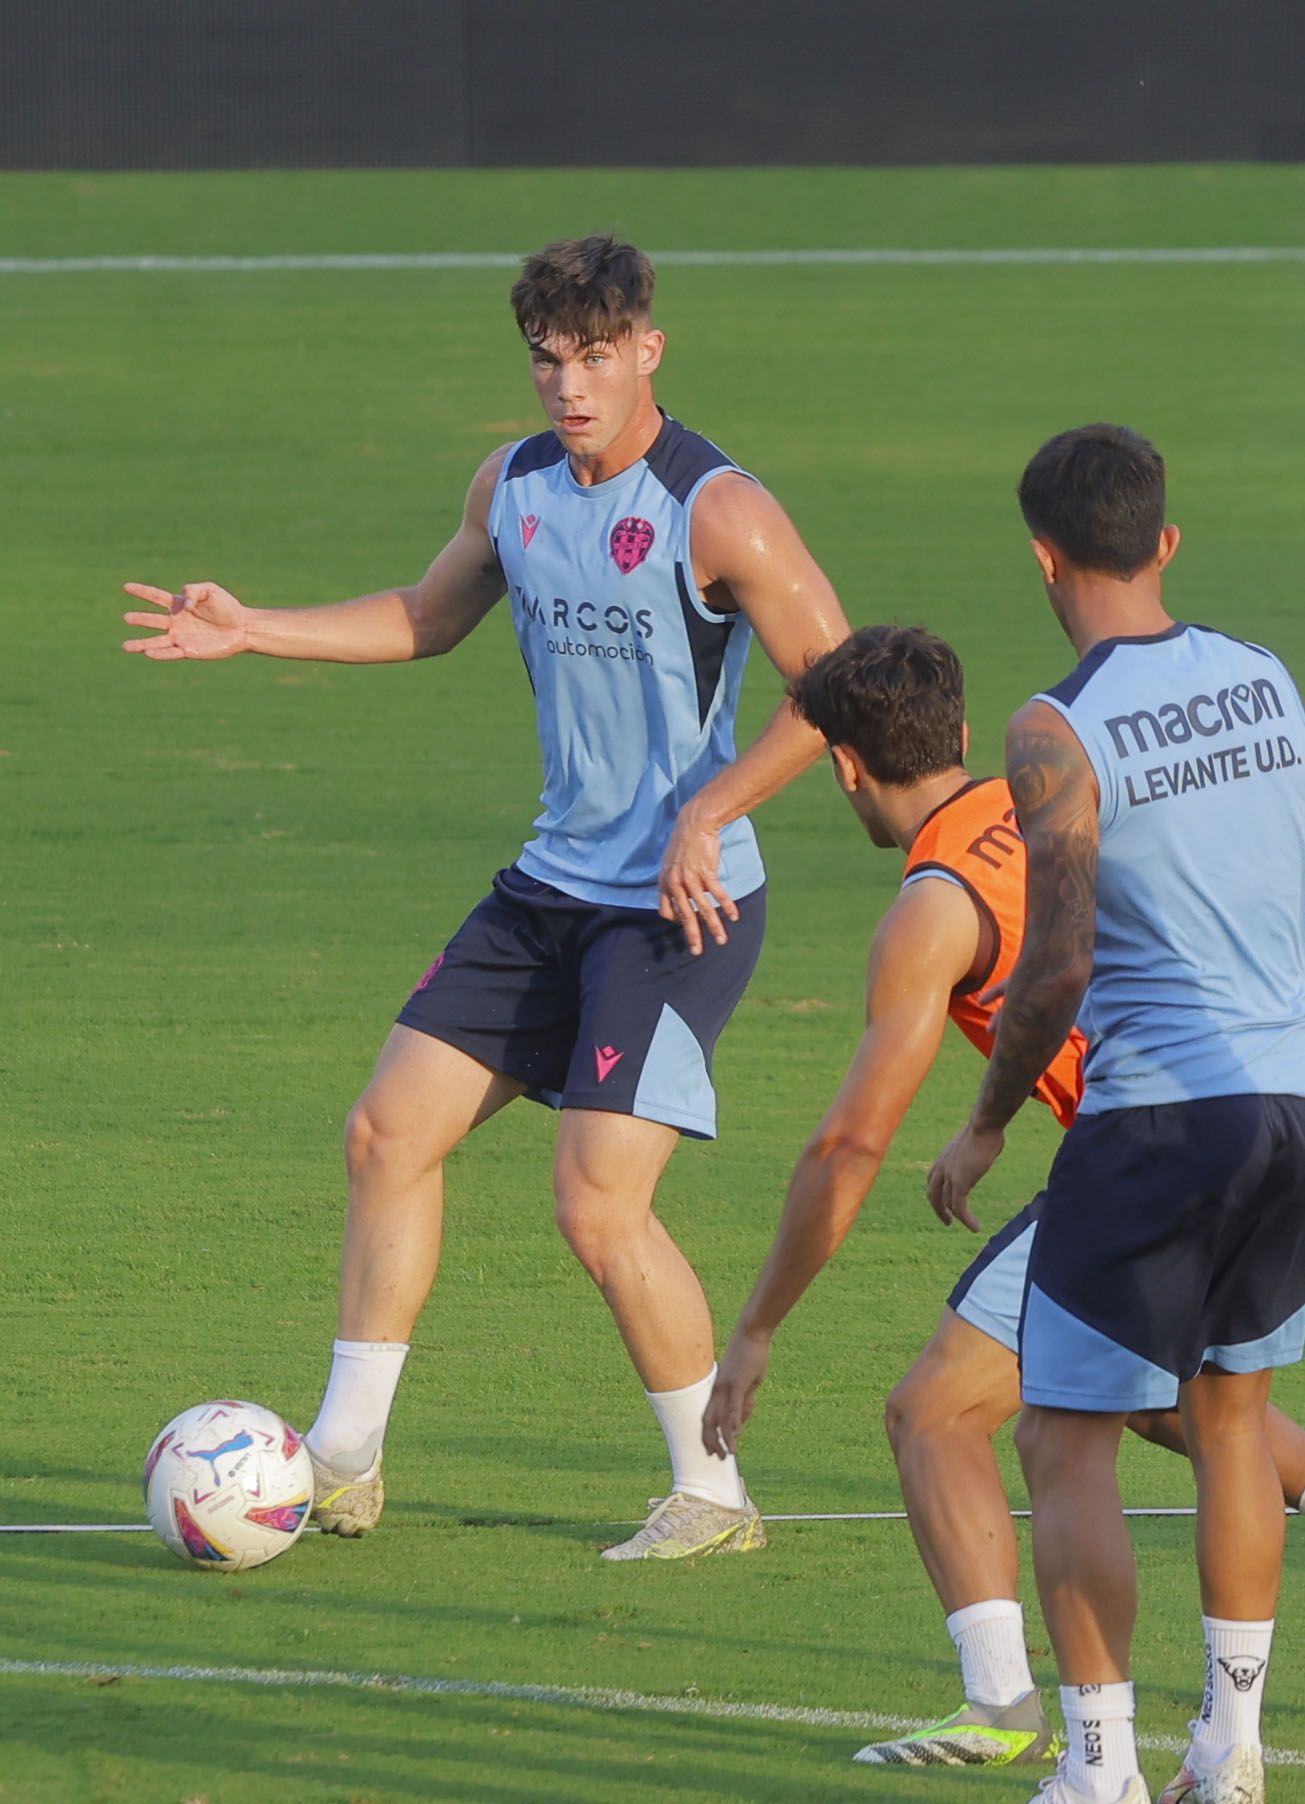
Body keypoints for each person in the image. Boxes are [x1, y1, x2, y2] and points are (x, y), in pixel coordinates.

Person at [121, 234, 849, 1561]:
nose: (569, 384)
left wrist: (710, 808)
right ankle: (339, 1460)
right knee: (387, 1134)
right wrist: (254, 627)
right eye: (548, 360)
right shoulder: (511, 487)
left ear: (648, 351)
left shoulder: (718, 509)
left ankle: (714, 1495)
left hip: (680, 913)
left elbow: (840, 684)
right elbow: (425, 613)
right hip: (552, 887)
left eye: (594, 357)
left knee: (595, 1199)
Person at [702, 623, 1305, 1771]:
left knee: (938, 1409)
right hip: (1267, 1110)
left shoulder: (931, 909)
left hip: (1146, 1148)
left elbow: (848, 1144)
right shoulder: (1043, 797)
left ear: (841, 765)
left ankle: (1012, 1713)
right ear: (965, 737)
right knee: (1185, 1406)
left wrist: (758, 1327)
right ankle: (1211, 1744)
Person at [927, 424, 1305, 1804]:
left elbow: (1062, 960)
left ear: (1042, 560)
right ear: (1164, 543)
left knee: (1060, 1436)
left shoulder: (1052, 730)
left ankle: (1098, 1772)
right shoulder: (1267, 679)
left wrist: (982, 1121)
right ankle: (1235, 1747)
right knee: (1230, 1420)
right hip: (1291, 1103)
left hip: (1155, 1119)